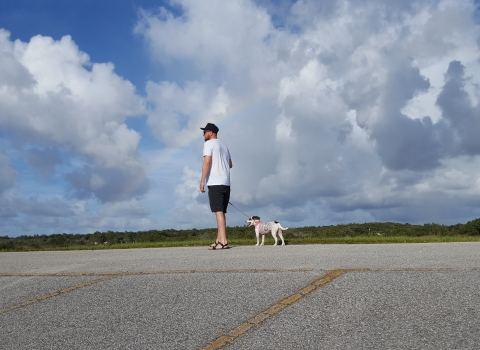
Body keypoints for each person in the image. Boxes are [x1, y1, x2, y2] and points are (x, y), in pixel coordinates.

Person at [199, 123, 232, 250]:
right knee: (221, 212)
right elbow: (230, 164)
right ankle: (218, 240)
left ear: (211, 132)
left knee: (218, 212)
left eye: (205, 132)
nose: (203, 134)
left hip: (215, 182)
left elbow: (207, 162)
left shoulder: (209, 144)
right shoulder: (224, 146)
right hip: (226, 182)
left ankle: (223, 242)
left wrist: (202, 181)